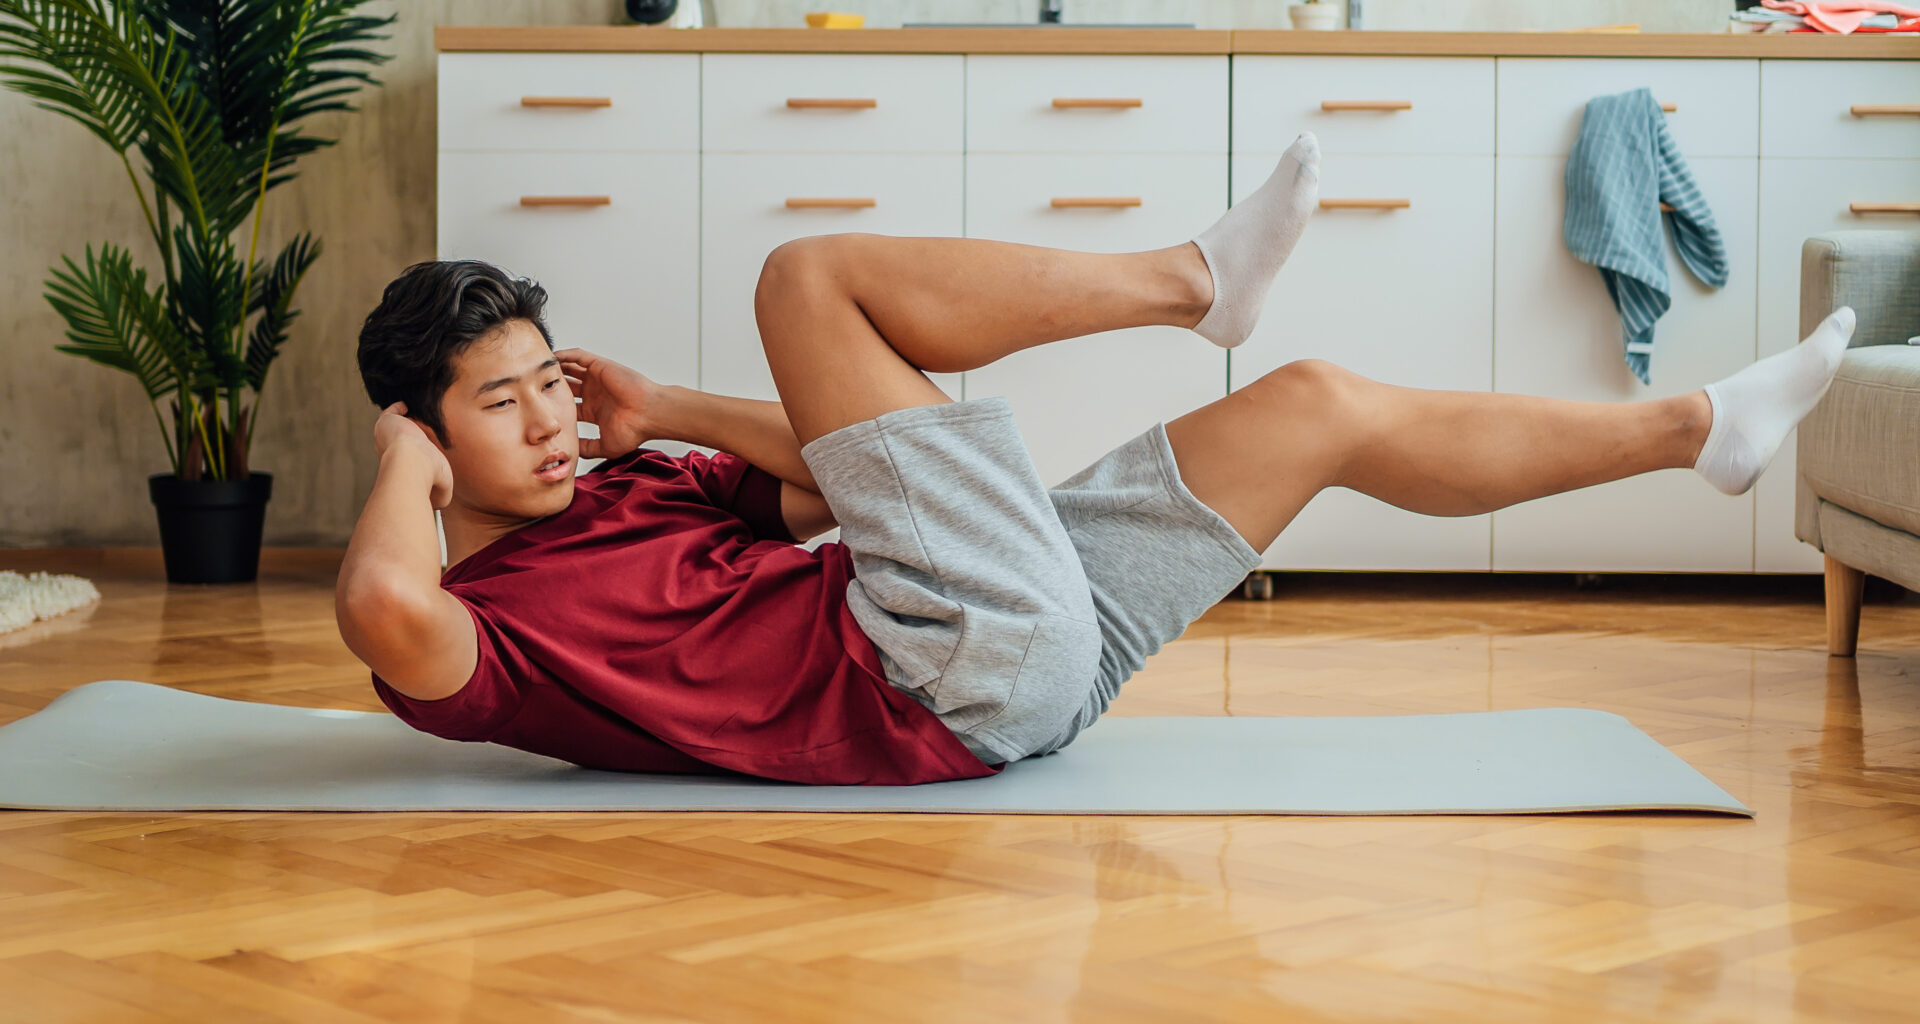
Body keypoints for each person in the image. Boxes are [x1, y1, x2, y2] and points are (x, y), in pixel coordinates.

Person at [336, 133, 1857, 785]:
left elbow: (833, 472)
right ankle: (1191, 284)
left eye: (553, 383)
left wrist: (665, 403)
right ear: (420, 434)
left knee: (1315, 399)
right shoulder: (499, 629)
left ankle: (1699, 435)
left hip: (992, 651)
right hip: (938, 663)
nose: (553, 423)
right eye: (503, 405)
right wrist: (402, 467)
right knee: (807, 278)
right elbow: (388, 621)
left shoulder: (632, 478)